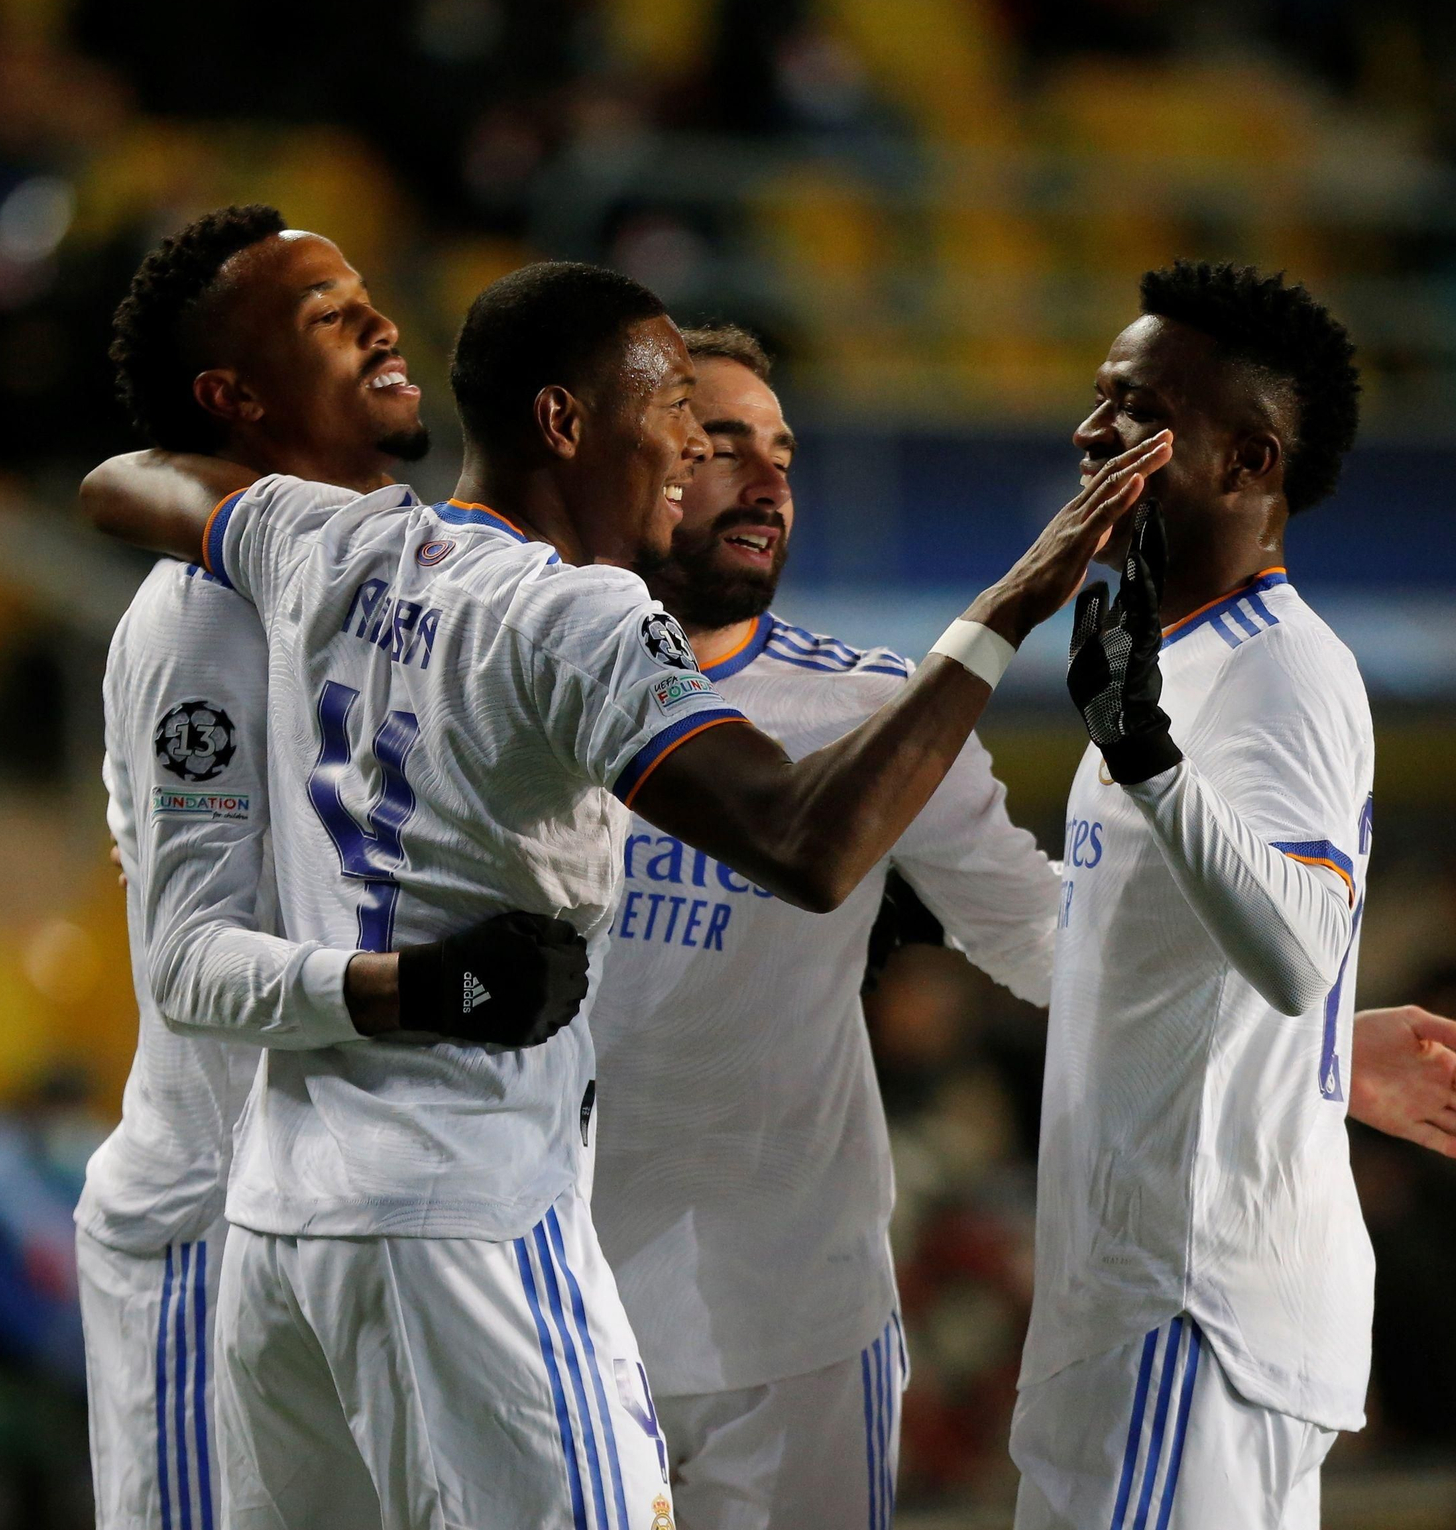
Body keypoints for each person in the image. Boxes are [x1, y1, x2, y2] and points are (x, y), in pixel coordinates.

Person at [80, 257, 1167, 1530]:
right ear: (564, 422)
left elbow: (125, 482)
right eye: (676, 418)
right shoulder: (582, 619)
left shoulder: (333, 538)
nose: (692, 453)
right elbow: (804, 843)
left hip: (290, 1227)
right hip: (475, 1214)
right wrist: (1008, 610)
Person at [587, 323, 1456, 1530]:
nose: (767, 479)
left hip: (789, 1320)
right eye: (722, 445)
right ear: (641, 459)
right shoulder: (534, 669)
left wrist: (1311, 1041)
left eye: (784, 452)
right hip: (562, 1290)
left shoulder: (874, 709)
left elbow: (1041, 928)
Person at [76, 207, 589, 1530]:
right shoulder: (202, 623)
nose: (378, 319)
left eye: (366, 292)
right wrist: (427, 988)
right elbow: (187, 964)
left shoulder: (405, 590)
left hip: (370, 1225)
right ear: (235, 398)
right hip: (209, 1236)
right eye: (325, 312)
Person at [1012, 260, 1456, 1528]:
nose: (1090, 431)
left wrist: (1147, 759)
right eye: (1098, 396)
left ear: (1247, 460)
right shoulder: (1175, 659)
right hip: (1136, 1304)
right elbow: (1152, 935)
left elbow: (1298, 946)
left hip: (1191, 1304)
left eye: (1137, 408)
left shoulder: (1281, 670)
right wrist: (1318, 1059)